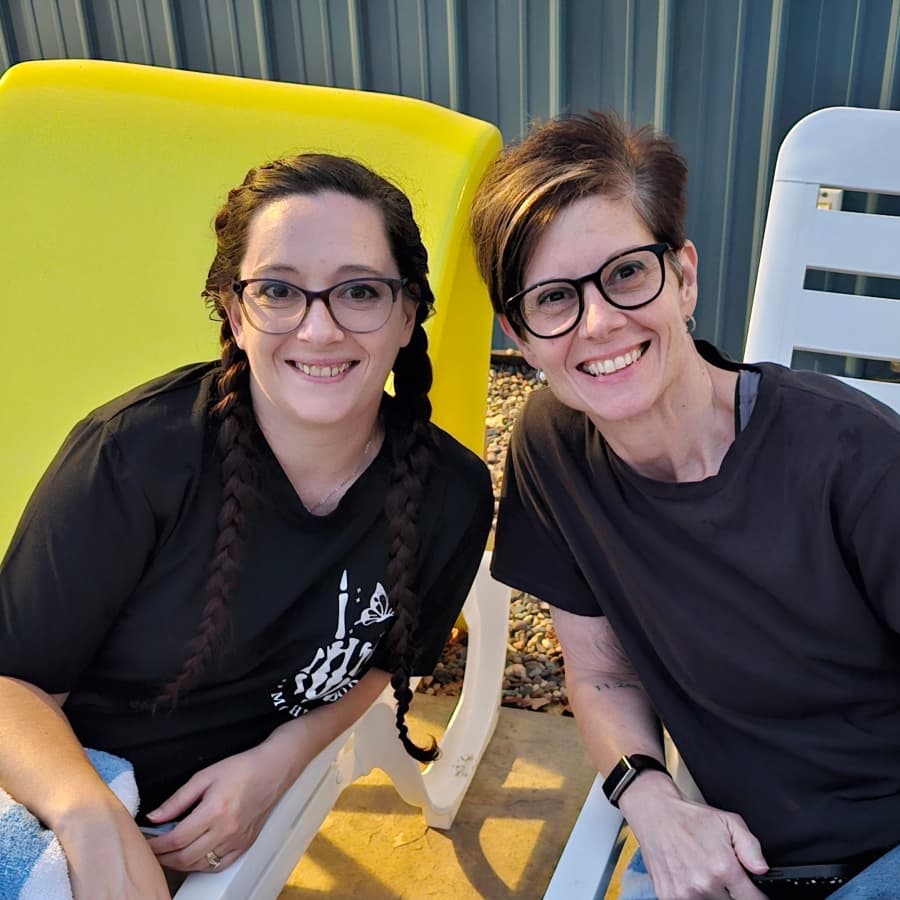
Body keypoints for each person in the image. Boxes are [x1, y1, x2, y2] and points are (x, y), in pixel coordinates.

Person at [0, 153, 493, 898]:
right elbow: (12, 683)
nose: (319, 329)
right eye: (278, 291)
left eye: (360, 291)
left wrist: (279, 761)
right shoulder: (135, 457)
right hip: (58, 788)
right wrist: (89, 819)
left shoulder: (450, 495)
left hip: (193, 821)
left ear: (407, 314)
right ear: (235, 313)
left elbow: (386, 661)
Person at [469, 110, 900, 899]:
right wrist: (653, 802)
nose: (600, 322)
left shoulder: (856, 457)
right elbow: (601, 676)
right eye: (553, 298)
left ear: (685, 276)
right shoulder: (552, 448)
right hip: (722, 855)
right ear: (518, 337)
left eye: (627, 273)